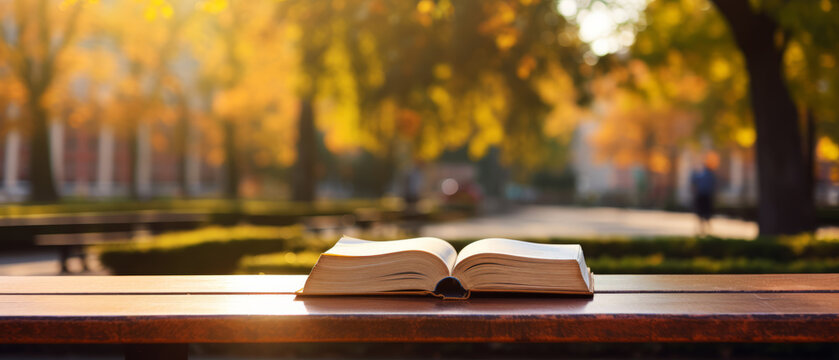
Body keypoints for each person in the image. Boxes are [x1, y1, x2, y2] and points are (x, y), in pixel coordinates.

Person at [690, 159, 716, 236]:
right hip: (707, 196)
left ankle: (702, 228)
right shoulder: (711, 175)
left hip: (702, 196)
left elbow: (694, 180)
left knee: (701, 213)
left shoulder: (701, 175)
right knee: (706, 213)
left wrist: (694, 171)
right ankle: (707, 228)